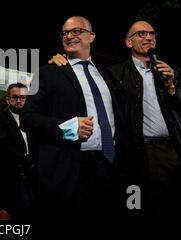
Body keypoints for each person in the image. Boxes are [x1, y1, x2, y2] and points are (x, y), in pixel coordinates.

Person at [20, 16, 125, 219]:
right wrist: (67, 127)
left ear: (91, 36)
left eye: (76, 31)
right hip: (68, 170)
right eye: (65, 33)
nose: (69, 36)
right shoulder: (47, 73)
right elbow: (27, 118)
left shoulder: (108, 75)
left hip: (108, 167)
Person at [107, 20, 181, 220]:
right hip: (148, 152)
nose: (148, 37)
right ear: (129, 43)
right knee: (159, 209)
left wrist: (172, 87)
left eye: (152, 34)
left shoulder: (170, 70)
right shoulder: (115, 74)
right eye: (141, 34)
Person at [0, 82, 37, 219]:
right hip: (7, 180)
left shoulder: (33, 120)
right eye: (15, 97)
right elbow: (1, 148)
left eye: (23, 97)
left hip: (31, 179)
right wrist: (28, 161)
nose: (19, 101)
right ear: (8, 99)